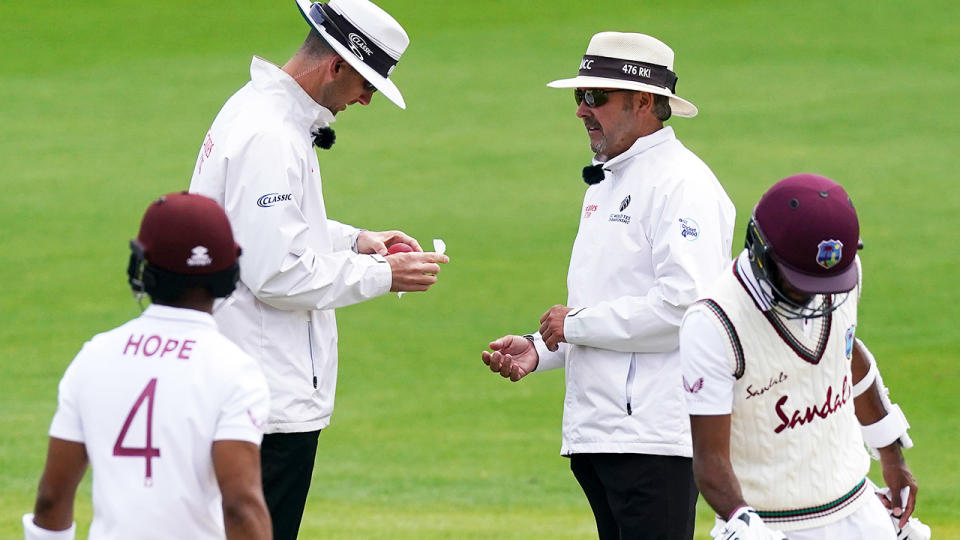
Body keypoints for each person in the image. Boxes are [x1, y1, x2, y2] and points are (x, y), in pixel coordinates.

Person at [188, 1, 449, 537]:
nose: (366, 99)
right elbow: (276, 274)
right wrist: (384, 276)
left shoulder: (259, 111)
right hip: (265, 396)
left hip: (244, 384)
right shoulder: (272, 135)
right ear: (336, 66)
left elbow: (263, 228)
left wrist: (358, 242)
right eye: (367, 83)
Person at [481, 32, 736, 539]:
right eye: (580, 96)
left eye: (595, 96)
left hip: (653, 439)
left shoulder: (682, 183)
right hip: (602, 434)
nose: (581, 110)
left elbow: (687, 309)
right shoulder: (611, 180)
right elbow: (608, 304)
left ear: (644, 102)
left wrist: (572, 326)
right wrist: (541, 348)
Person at [680, 174, 929, 539]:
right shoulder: (712, 324)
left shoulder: (841, 276)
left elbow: (845, 353)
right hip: (771, 525)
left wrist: (891, 451)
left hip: (858, 509)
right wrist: (745, 525)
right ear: (761, 251)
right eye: (801, 283)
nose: (816, 298)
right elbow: (709, 458)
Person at [23, 192, 271, 540]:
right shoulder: (234, 371)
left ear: (142, 268)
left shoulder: (95, 356)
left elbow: (51, 500)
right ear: (230, 271)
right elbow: (240, 506)